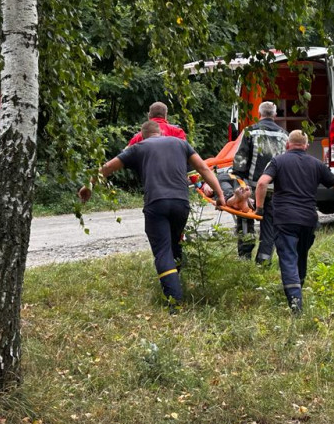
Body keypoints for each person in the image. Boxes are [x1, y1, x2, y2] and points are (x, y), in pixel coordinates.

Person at [79, 120, 225, 309]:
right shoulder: (181, 144)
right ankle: (175, 280)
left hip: (157, 203)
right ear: (161, 133)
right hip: (181, 203)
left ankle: (175, 302)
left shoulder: (138, 148)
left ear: (143, 135)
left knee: (163, 251)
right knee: (174, 244)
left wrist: (88, 186)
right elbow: (204, 168)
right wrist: (220, 195)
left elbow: (107, 168)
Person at [255, 130, 334, 315]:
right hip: (308, 220)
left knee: (288, 259)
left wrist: (259, 208)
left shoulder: (278, 161)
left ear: (287, 145)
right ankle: (298, 290)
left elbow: (262, 183)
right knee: (300, 257)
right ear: (306, 146)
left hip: (284, 220)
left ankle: (295, 303)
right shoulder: (317, 164)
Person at [231, 101, 289, 263]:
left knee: (245, 222)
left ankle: (245, 257)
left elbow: (240, 162)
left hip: (250, 188)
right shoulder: (285, 135)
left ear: (259, 114)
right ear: (275, 115)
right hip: (273, 190)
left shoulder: (250, 132)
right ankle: (264, 260)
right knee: (269, 224)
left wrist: (239, 184)